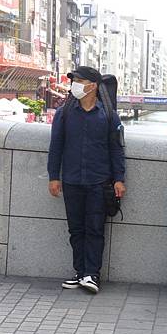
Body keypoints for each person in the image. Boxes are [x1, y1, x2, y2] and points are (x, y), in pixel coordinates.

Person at [47, 66, 126, 294]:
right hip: (71, 181)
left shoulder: (108, 115)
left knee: (95, 229)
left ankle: (92, 274)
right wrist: (54, 177)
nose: (75, 85)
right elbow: (56, 146)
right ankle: (80, 272)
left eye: (79, 81)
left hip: (99, 182)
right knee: (76, 229)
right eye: (74, 81)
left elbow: (116, 148)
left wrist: (119, 179)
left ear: (92, 86)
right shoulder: (64, 113)